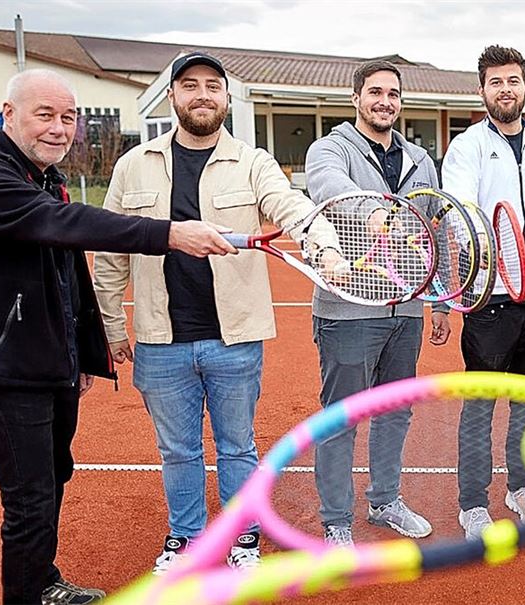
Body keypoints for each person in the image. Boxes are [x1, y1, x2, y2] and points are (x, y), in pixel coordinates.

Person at [0, 68, 234, 605]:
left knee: (53, 480)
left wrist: (81, 353)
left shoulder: (44, 177)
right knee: (29, 502)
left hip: (49, 364)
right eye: (45, 115)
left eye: (68, 117)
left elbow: (66, 276)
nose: (60, 128)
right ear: (9, 115)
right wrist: (171, 234)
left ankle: (44, 581)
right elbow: (67, 225)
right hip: (4, 371)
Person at [92, 52, 341, 575]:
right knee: (178, 450)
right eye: (189, 86)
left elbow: (292, 208)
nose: (202, 94)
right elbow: (110, 254)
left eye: (212, 86)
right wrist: (112, 325)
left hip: (235, 340)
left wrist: (325, 249)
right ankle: (186, 538)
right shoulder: (131, 165)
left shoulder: (254, 162)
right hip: (161, 342)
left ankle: (241, 535)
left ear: (227, 99)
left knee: (237, 446)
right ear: (173, 98)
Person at [304, 60, 445, 546]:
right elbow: (333, 193)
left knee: (395, 411)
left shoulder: (421, 160)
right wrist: (381, 217)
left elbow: (436, 229)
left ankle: (385, 501)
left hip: (405, 309)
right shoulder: (329, 149)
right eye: (376, 92)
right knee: (341, 416)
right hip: (348, 310)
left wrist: (442, 301)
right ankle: (336, 521)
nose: (385, 101)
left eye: (393, 94)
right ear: (356, 98)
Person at [441, 45, 525, 539]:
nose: (506, 90)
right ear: (483, 90)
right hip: (489, 297)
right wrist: (493, 263)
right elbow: (458, 211)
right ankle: (472, 503)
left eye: (513, 81)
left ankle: (520, 486)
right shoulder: (467, 145)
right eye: (496, 82)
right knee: (481, 405)